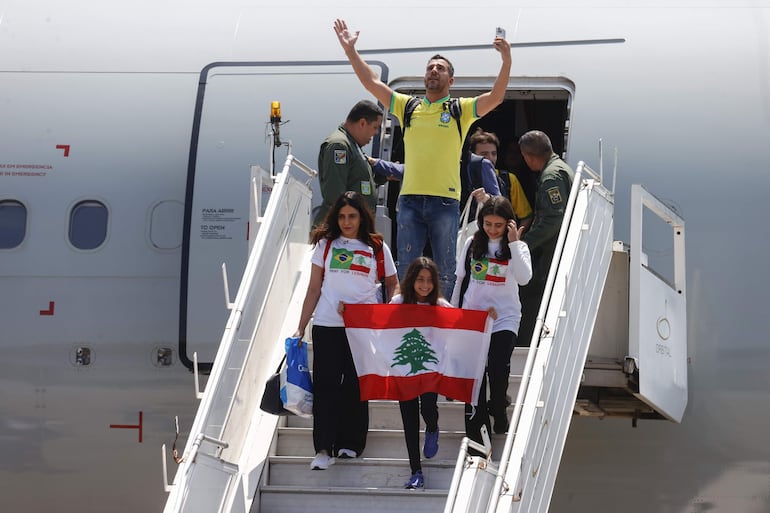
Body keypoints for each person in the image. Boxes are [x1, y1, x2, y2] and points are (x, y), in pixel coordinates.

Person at [333, 18, 512, 299]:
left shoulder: (459, 110)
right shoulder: (408, 106)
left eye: (440, 68)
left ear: (450, 80)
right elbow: (372, 83)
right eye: (430, 67)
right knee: (407, 268)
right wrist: (350, 51)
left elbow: (497, 97)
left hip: (445, 202)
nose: (433, 71)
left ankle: (441, 327)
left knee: (445, 270)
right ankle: (407, 325)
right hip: (410, 200)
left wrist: (506, 60)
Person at [294, 191, 399, 470]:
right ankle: (323, 449)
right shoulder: (326, 245)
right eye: (341, 217)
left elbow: (392, 283)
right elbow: (314, 288)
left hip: (362, 328)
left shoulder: (376, 247)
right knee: (326, 387)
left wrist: (390, 314)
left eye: (352, 216)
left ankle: (352, 443)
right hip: (328, 324)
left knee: (356, 385)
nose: (346, 222)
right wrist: (300, 326)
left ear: (362, 217)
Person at [451, 196, 532, 442]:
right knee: (477, 374)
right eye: (488, 224)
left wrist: (515, 244)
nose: (493, 229)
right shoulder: (471, 243)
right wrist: (455, 315)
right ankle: (480, 424)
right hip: (474, 319)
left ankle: (499, 407)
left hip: (505, 318)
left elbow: (524, 278)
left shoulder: (517, 247)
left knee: (498, 369)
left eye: (498, 225)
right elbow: (461, 281)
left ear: (508, 224)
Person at [389, 256, 452, 490]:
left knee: (427, 409)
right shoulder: (397, 303)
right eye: (420, 280)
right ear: (411, 281)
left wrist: (486, 317)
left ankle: (433, 427)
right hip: (404, 371)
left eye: (429, 281)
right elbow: (379, 327)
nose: (425, 285)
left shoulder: (442, 306)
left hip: (430, 372)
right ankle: (416, 471)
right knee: (409, 420)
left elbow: (462, 327)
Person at [517, 130, 574, 347]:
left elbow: (553, 219)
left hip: (548, 254)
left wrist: (524, 244)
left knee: (532, 299)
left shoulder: (551, 177)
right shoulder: (560, 168)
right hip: (551, 251)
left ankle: (527, 344)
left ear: (528, 156)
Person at [313, 100, 384, 227]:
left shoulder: (353, 146)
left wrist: (384, 176)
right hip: (340, 234)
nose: (376, 133)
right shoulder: (339, 146)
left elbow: (357, 179)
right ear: (362, 123)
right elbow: (335, 196)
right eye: (375, 127)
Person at [468, 128, 533, 230]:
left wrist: (515, 239)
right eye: (484, 154)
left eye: (493, 153)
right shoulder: (465, 179)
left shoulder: (509, 179)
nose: (490, 158)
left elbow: (526, 216)